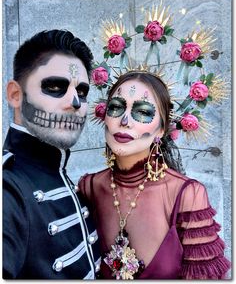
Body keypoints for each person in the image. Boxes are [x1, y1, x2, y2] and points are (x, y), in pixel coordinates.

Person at [78, 71, 231, 280]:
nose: (125, 120)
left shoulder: (186, 195)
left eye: (142, 111)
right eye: (116, 107)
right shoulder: (90, 187)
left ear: (161, 130)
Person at [3, 29, 101, 279]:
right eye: (55, 87)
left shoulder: (58, 171)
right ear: (16, 95)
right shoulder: (7, 189)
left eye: (82, 92)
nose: (76, 103)